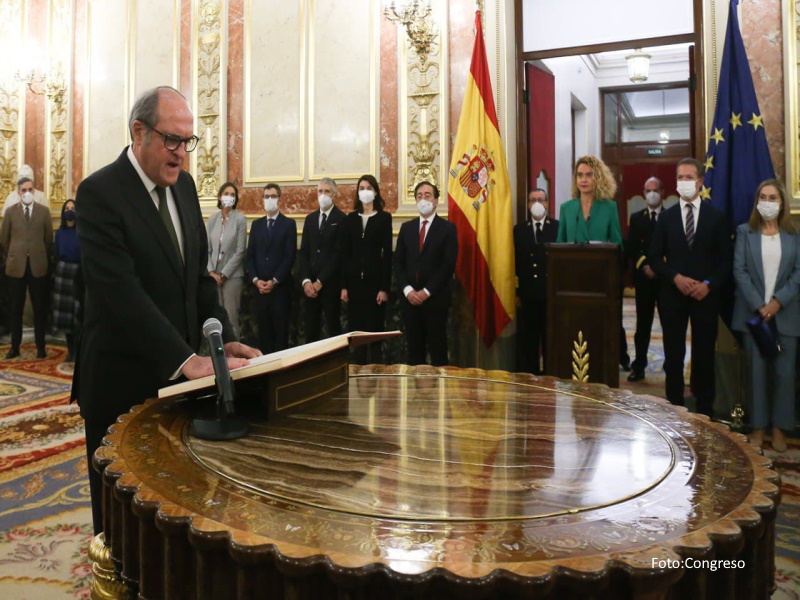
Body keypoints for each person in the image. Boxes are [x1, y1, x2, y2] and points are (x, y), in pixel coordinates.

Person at [73, 86, 260, 535]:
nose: (181, 154)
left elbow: (198, 275)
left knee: (169, 509)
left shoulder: (185, 186)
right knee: (119, 522)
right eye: (171, 140)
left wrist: (222, 335)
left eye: (188, 141)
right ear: (139, 132)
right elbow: (121, 293)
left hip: (177, 384)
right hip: (119, 381)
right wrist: (185, 358)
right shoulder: (99, 192)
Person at [648, 157, 731, 418]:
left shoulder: (716, 217)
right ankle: (673, 406)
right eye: (680, 177)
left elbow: (726, 260)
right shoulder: (667, 217)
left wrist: (709, 284)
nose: (684, 182)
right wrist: (676, 278)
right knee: (673, 355)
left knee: (704, 354)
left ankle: (705, 409)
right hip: (673, 296)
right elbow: (654, 257)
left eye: (689, 177)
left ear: (700, 181)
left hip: (705, 297)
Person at [732, 179, 800, 452]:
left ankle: (778, 429)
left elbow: (798, 273)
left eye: (772, 197)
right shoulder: (745, 232)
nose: (767, 202)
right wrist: (761, 306)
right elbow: (740, 271)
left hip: (786, 315)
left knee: (784, 376)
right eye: (763, 196)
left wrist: (777, 303)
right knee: (756, 374)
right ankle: (758, 428)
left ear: (781, 202)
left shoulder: (794, 235)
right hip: (755, 317)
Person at [555, 155, 631, 371]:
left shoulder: (608, 208)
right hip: (572, 282)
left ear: (598, 178)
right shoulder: (567, 208)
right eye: (580, 175)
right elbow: (560, 243)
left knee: (598, 328)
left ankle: (600, 365)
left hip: (600, 282)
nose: (584, 180)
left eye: (589, 175)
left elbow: (617, 244)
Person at [394, 181, 458, 366]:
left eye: (428, 195)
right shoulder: (407, 228)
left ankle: (440, 394)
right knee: (414, 354)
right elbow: (398, 262)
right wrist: (408, 290)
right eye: (420, 196)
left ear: (436, 201)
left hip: (435, 300)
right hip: (410, 301)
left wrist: (426, 292)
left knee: (438, 352)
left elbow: (448, 265)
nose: (423, 199)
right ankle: (415, 395)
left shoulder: (447, 229)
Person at [340, 174, 392, 363]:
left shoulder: (384, 219)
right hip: (354, 285)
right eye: (361, 188)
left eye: (369, 187)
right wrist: (344, 286)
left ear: (376, 192)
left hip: (375, 284)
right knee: (358, 336)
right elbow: (345, 254)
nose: (365, 191)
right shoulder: (350, 219)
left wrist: (384, 288)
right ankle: (359, 379)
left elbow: (387, 256)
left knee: (375, 334)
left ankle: (376, 376)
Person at [1, 177, 52, 359]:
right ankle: (15, 346)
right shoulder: (10, 212)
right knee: (16, 309)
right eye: (24, 190)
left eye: (30, 189)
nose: (27, 193)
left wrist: (36, 253)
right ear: (18, 192)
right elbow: (4, 239)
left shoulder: (44, 212)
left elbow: (48, 240)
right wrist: (16, 253)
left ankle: (40, 346)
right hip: (16, 267)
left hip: (37, 266)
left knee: (40, 308)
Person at [246, 183, 296, 353]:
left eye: (273, 196)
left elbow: (289, 257)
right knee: (263, 336)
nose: (269, 200)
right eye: (266, 196)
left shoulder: (288, 224)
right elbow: (250, 256)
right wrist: (255, 280)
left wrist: (274, 281)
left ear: (279, 199)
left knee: (281, 336)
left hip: (280, 290)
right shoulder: (257, 225)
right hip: (259, 291)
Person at [514, 188, 558, 374]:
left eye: (541, 199)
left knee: (550, 339)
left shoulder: (557, 227)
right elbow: (515, 263)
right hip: (527, 294)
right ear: (528, 204)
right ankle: (531, 378)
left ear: (547, 203)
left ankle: (551, 376)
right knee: (529, 341)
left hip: (550, 294)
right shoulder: (519, 230)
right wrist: (516, 293)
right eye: (533, 200)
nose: (537, 203)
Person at [626, 177, 664, 382]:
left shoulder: (670, 217)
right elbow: (632, 246)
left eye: (655, 190)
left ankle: (671, 365)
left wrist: (658, 268)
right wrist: (645, 265)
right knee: (643, 325)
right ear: (643, 193)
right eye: (648, 190)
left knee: (669, 325)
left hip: (665, 280)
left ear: (662, 192)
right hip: (643, 279)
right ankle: (639, 365)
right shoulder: (637, 217)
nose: (652, 194)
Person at [299, 177, 345, 342]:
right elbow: (304, 252)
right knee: (311, 331)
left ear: (334, 195)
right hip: (309, 286)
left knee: (333, 331)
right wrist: (306, 281)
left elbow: (338, 255)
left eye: (327, 191)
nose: (323, 195)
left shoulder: (341, 219)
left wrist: (320, 281)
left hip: (330, 285)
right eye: (320, 191)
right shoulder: (310, 219)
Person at [207, 182, 247, 338]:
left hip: (232, 277)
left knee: (231, 320)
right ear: (219, 197)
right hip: (213, 276)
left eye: (232, 195)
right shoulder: (212, 220)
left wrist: (223, 274)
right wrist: (211, 272)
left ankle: (233, 356)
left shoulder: (240, 219)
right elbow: (208, 248)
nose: (229, 197)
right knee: (217, 320)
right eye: (226, 194)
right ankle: (219, 355)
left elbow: (240, 251)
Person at [52, 199, 81, 363]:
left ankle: (79, 351)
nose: (69, 211)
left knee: (77, 314)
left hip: (79, 273)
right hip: (63, 273)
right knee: (65, 317)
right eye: (67, 208)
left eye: (73, 208)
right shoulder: (60, 233)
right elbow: (56, 252)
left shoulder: (82, 231)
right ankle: (71, 351)